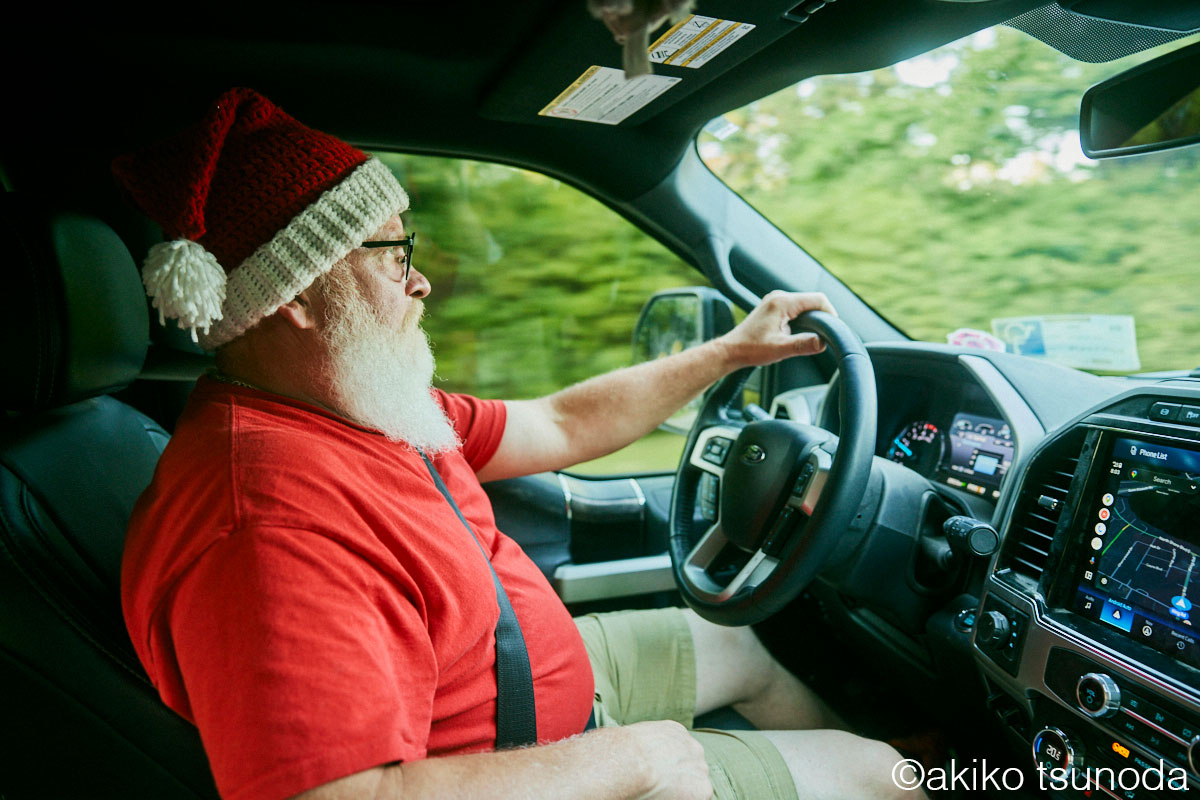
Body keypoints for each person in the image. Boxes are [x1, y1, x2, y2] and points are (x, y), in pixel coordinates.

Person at [117, 88, 915, 800]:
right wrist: (638, 760)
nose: (420, 280)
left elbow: (558, 424)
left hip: (520, 687)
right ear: (294, 294)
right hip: (517, 757)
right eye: (392, 253)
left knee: (737, 645)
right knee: (878, 775)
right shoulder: (266, 524)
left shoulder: (352, 408)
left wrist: (731, 351)